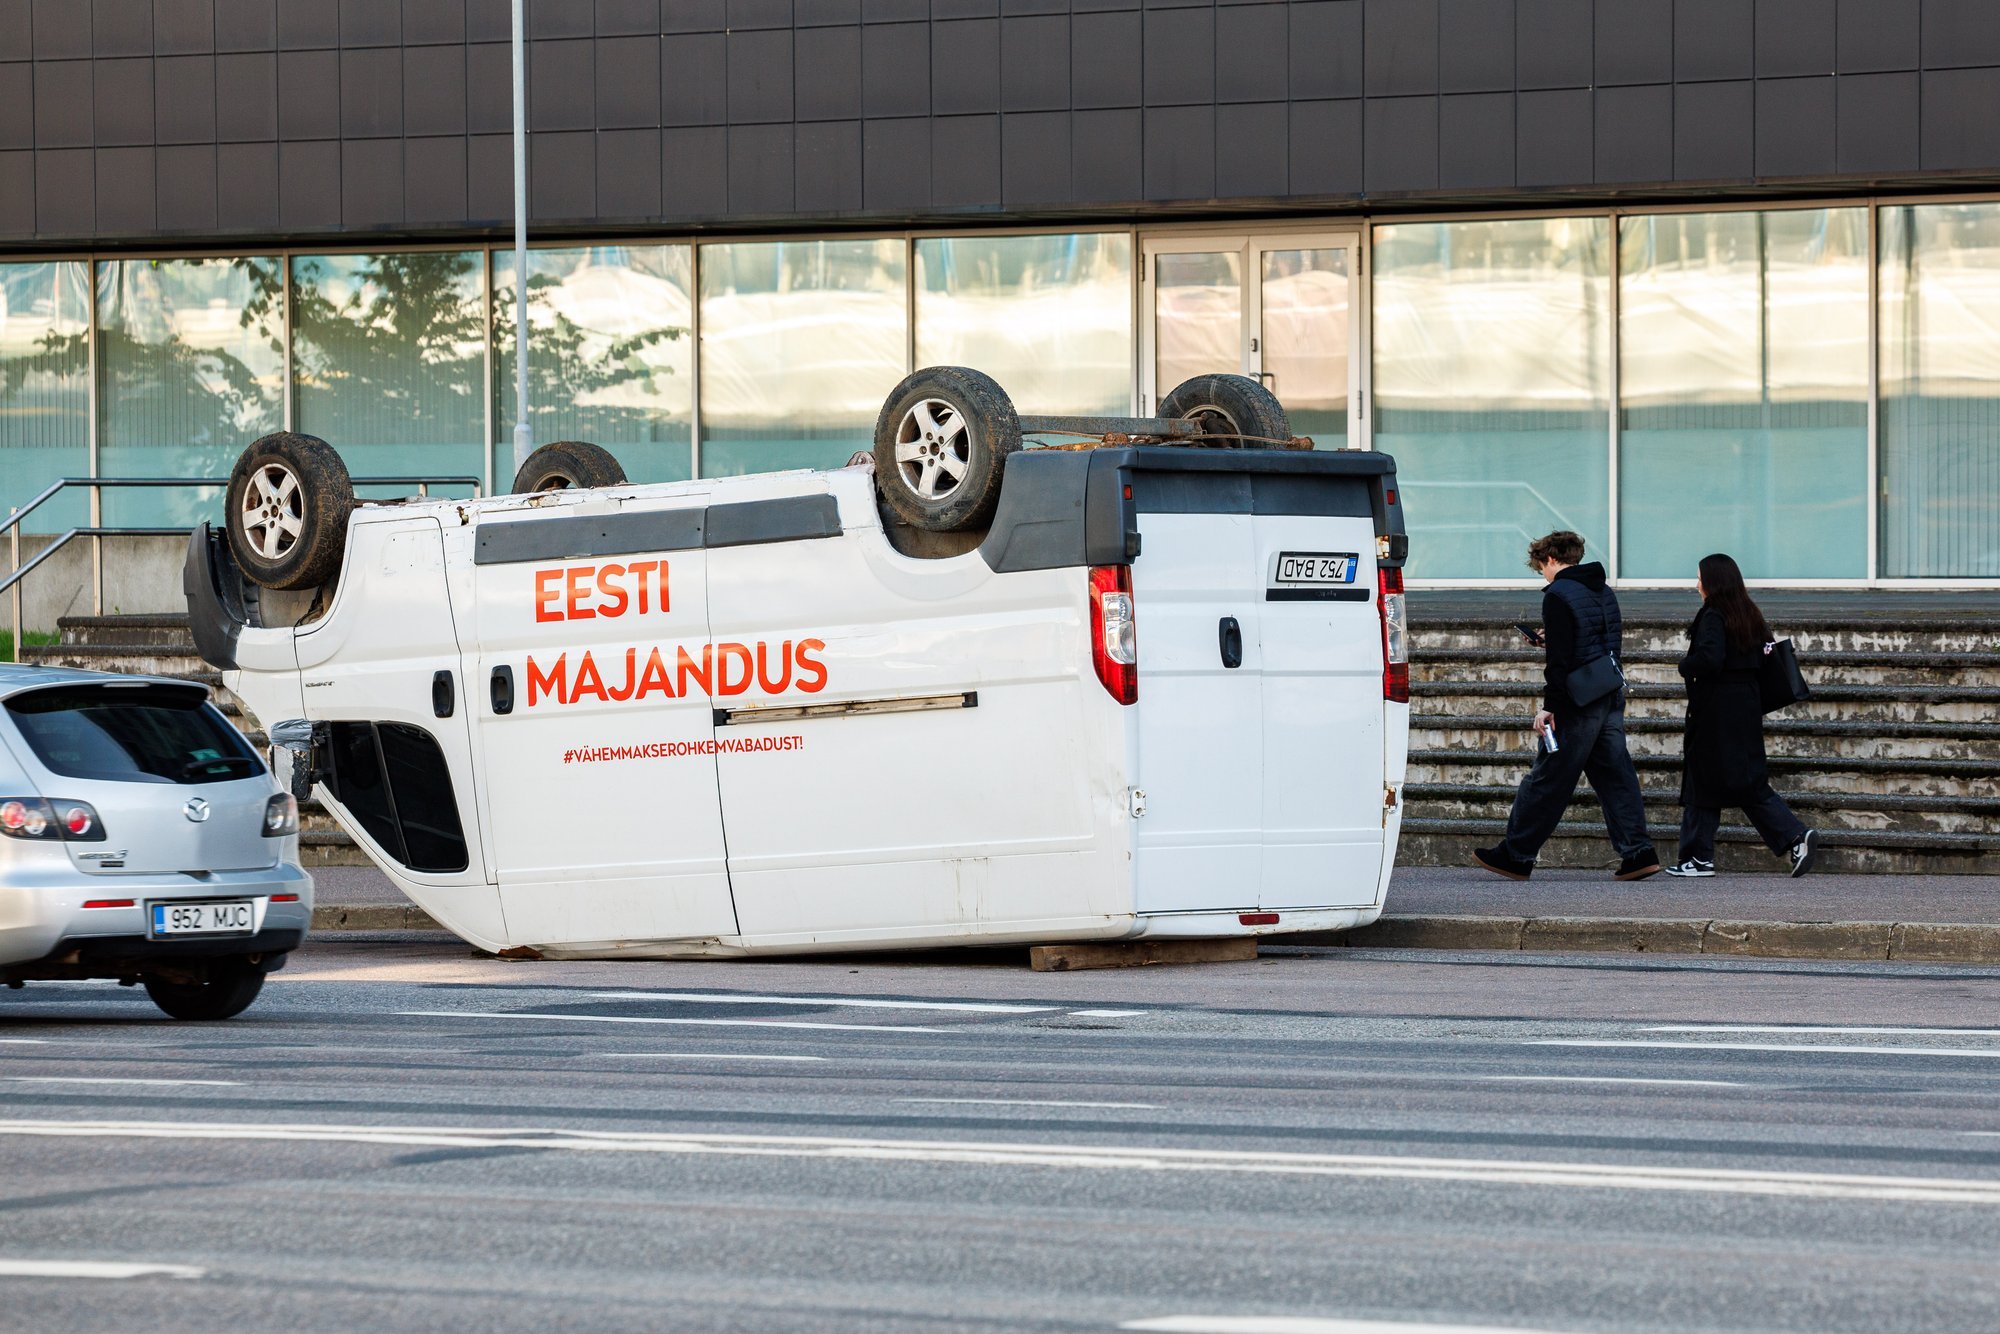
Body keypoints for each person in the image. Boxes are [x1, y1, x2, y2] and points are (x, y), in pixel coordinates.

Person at [1474, 531, 1660, 881]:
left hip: (1576, 700)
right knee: (1616, 777)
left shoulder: (1558, 594)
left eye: (1540, 567)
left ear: (1550, 559)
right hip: (1608, 690)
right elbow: (1596, 640)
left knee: (1548, 777)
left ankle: (1516, 854)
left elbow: (1560, 660)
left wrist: (1550, 706)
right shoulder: (1602, 590)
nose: (1542, 573)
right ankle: (1639, 852)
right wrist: (1554, 637)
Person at [1663, 553, 1818, 878]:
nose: (1696, 584)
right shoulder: (1748, 613)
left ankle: (1792, 836)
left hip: (1716, 708)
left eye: (1700, 578)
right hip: (1745, 704)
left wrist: (1684, 665)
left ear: (1713, 582)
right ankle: (1698, 857)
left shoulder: (1713, 615)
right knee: (1733, 780)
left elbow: (1710, 659)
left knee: (1709, 778)